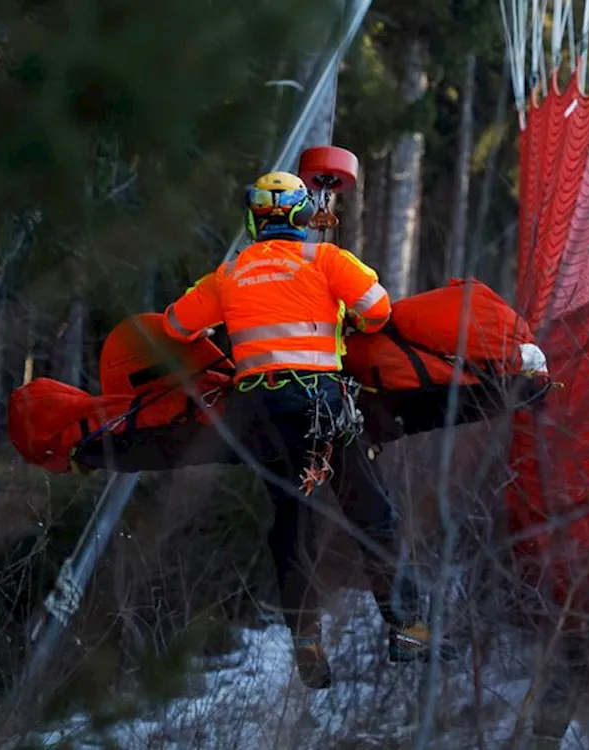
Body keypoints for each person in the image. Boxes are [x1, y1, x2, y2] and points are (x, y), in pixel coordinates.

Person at [162, 170, 453, 689]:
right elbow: (379, 310)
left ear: (254, 218)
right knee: (373, 514)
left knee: (292, 523)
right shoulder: (325, 260)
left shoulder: (228, 275)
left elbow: (176, 325)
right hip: (320, 403)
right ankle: (407, 628)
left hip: (257, 414)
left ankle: (305, 641)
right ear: (300, 216)